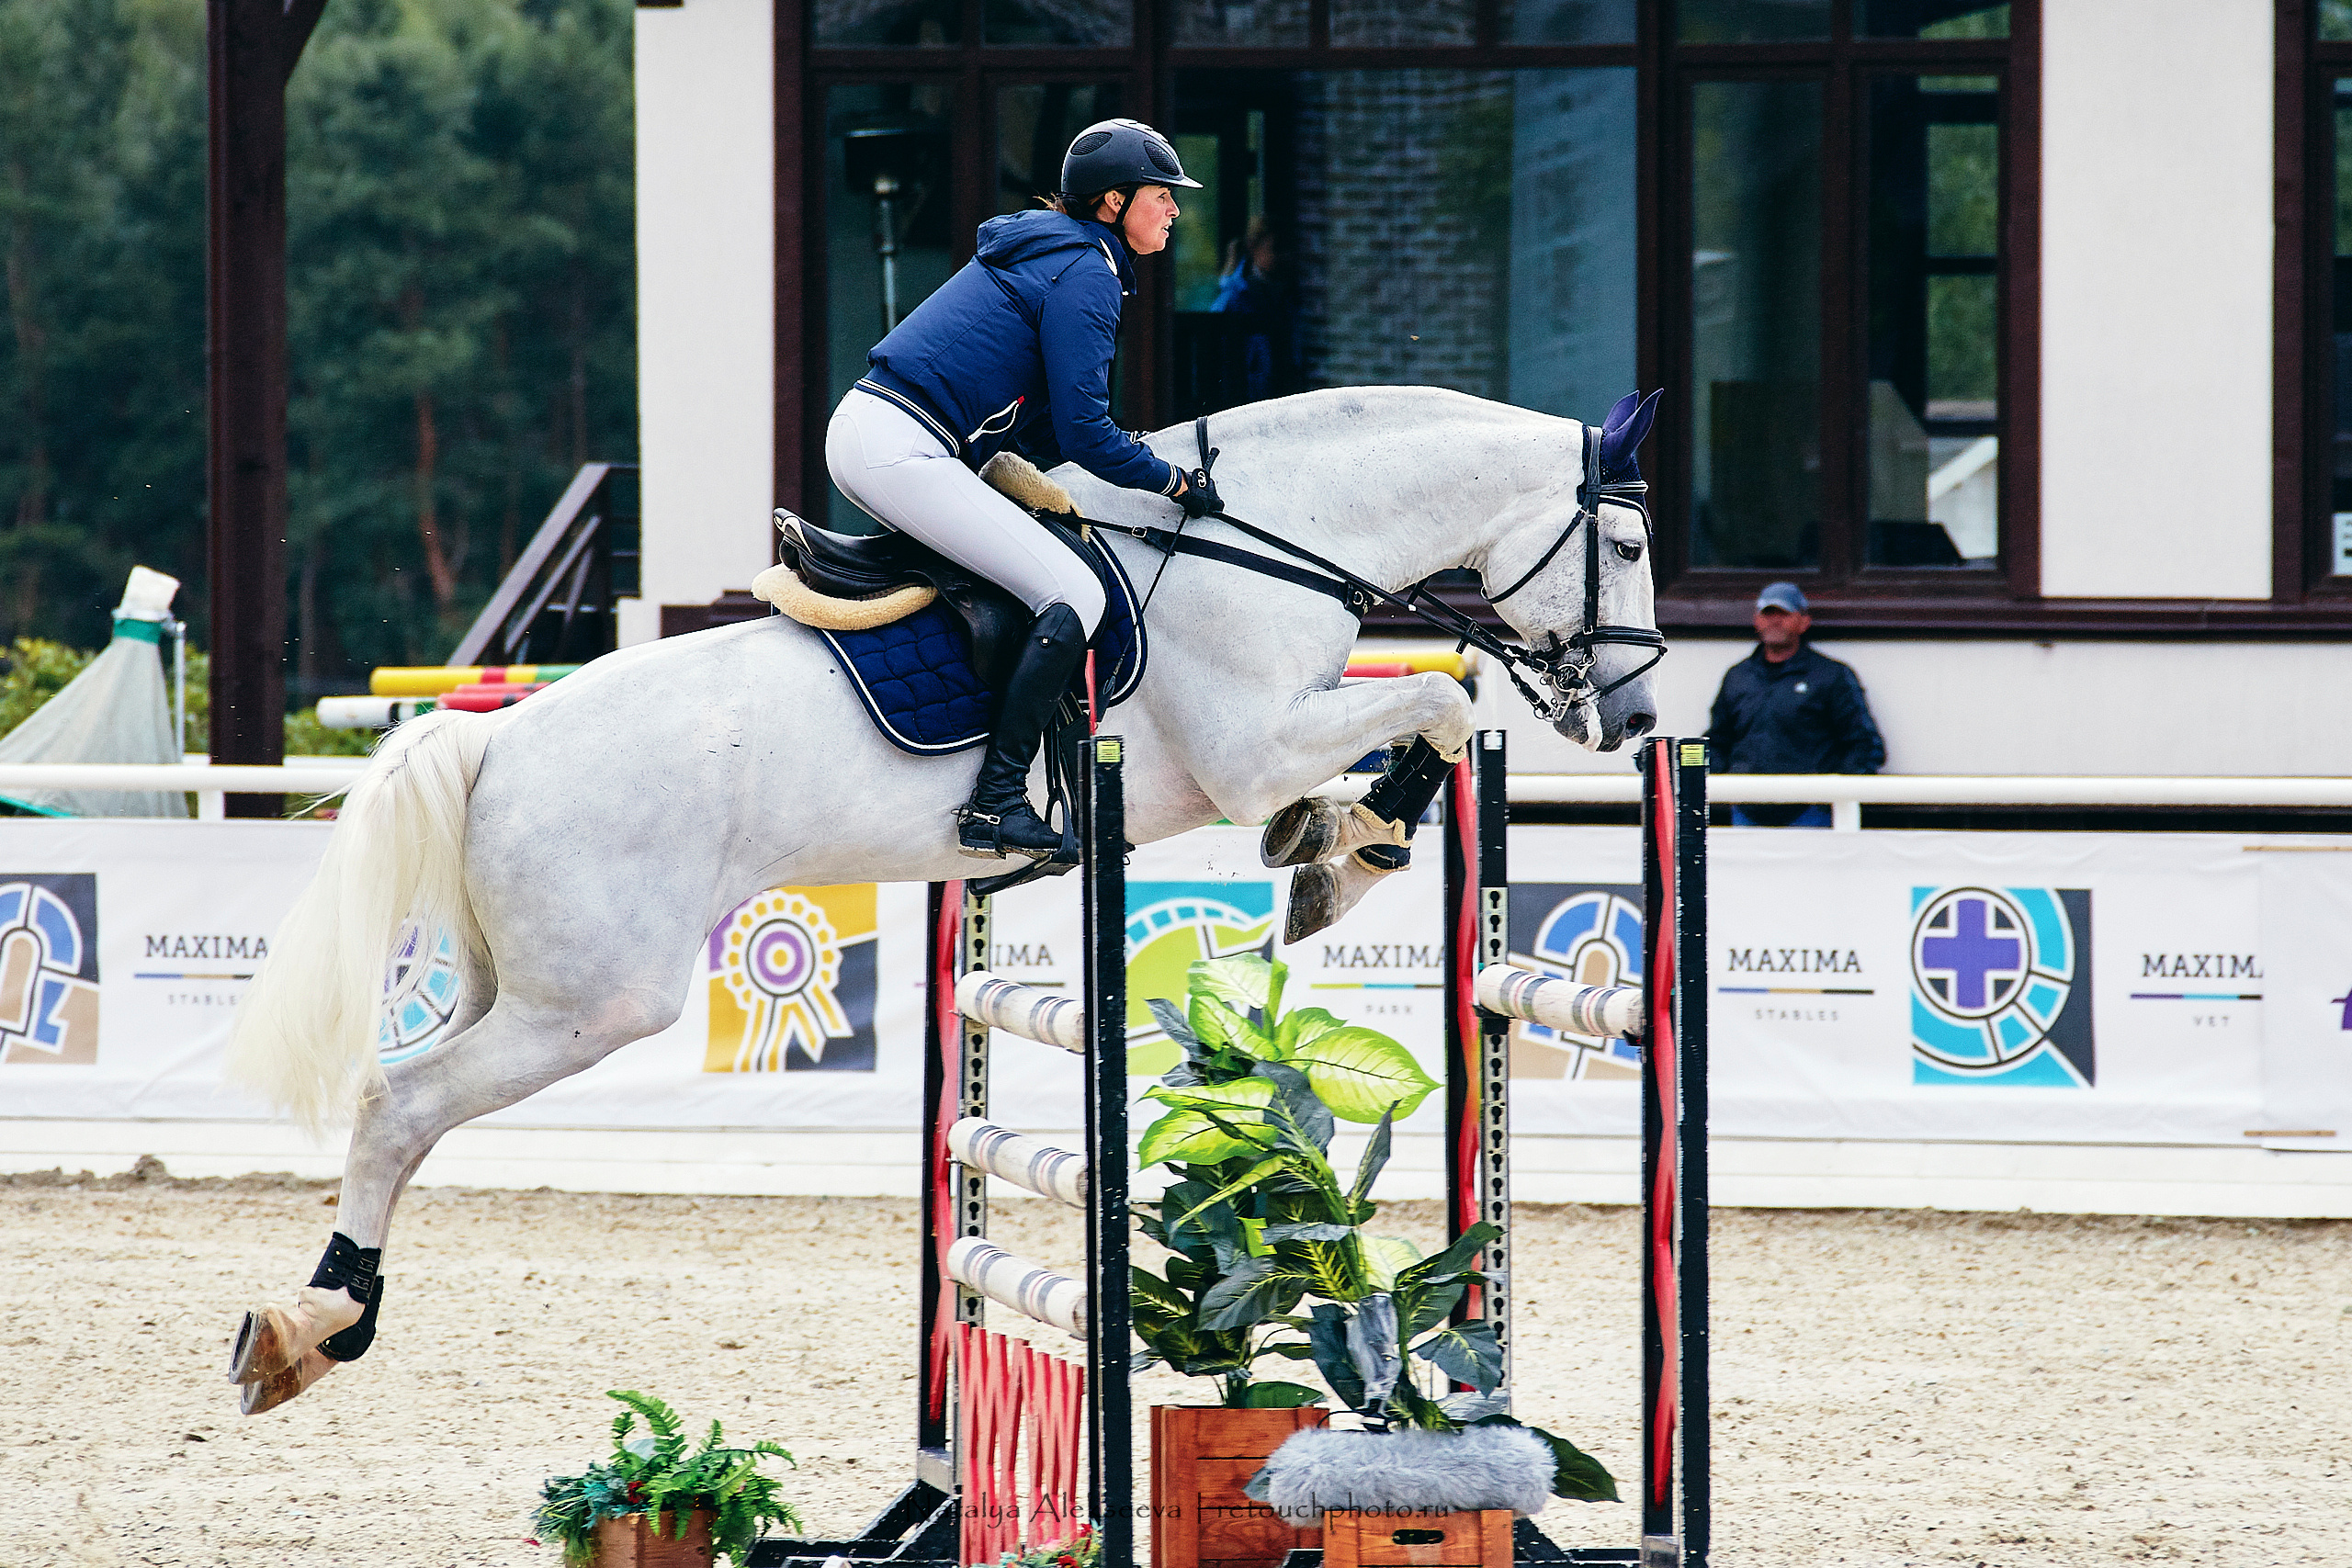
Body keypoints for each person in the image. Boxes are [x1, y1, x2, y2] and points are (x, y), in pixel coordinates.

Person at [825, 119, 1215, 861]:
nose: (1173, 211)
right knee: (1077, 594)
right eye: (1161, 197)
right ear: (1112, 202)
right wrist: (1174, 481)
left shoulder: (1062, 255)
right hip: (897, 445)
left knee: (1043, 566)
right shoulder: (1087, 271)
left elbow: (1039, 433)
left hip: (878, 433)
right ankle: (996, 800)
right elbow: (1085, 434)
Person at [1705, 583, 1885, 828]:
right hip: (1746, 812)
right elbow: (1718, 741)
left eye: (1784, 614)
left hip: (1810, 815)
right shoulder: (1738, 677)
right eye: (1768, 614)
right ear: (1756, 620)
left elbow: (1865, 745)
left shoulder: (1831, 676)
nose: (1775, 621)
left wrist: (1831, 797)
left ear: (1804, 622)